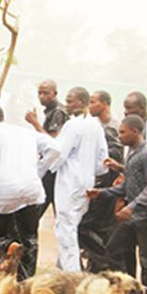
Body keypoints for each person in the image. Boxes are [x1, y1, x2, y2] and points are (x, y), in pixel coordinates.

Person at [0, 107, 60, 281]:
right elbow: (55, 149)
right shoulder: (26, 132)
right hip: (33, 189)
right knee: (30, 238)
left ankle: (9, 246)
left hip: (5, 190)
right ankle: (25, 283)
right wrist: (38, 171)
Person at [88, 114, 147, 294]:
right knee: (113, 249)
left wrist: (131, 206)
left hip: (146, 216)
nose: (119, 136)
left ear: (135, 132)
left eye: (122, 132)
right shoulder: (132, 153)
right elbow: (127, 184)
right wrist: (102, 193)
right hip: (133, 216)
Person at [52, 87, 108, 272]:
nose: (67, 104)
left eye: (70, 101)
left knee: (66, 231)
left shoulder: (72, 126)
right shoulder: (95, 126)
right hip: (86, 185)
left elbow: (58, 155)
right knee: (71, 228)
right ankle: (62, 268)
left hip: (69, 185)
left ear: (81, 102)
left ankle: (72, 276)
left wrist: (41, 168)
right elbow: (103, 162)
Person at [78, 90, 124, 272]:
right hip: (97, 187)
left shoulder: (112, 128)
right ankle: (97, 266)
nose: (90, 106)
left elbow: (115, 157)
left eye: (93, 102)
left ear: (104, 104)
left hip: (109, 189)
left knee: (86, 226)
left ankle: (103, 263)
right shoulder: (93, 125)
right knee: (95, 229)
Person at [25, 80, 69, 219]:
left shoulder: (58, 112)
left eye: (46, 93)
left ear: (54, 93)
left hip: (53, 168)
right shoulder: (51, 111)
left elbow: (53, 143)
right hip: (52, 167)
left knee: (40, 205)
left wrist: (35, 123)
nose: (42, 96)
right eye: (40, 93)